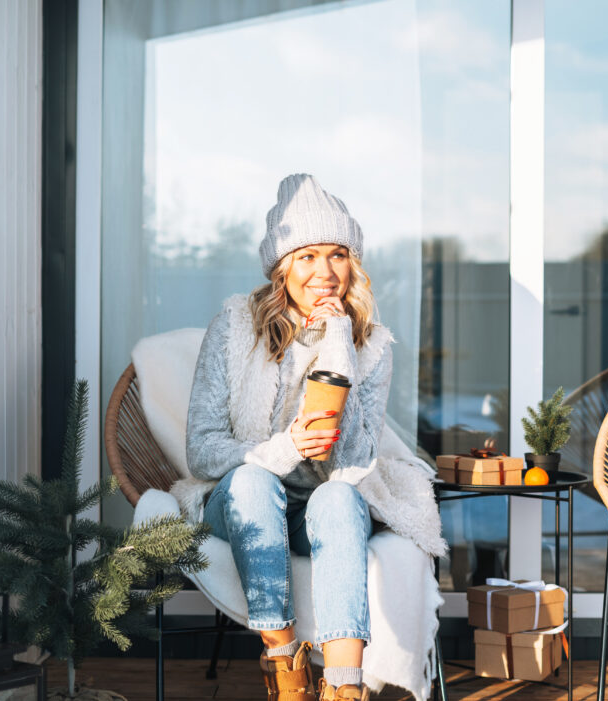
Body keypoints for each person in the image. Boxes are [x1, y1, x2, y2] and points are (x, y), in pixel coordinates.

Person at [179, 174, 445, 701]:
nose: (325, 272)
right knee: (255, 482)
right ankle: (286, 671)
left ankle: (345, 688)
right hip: (240, 502)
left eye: (338, 255)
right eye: (307, 256)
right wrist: (286, 448)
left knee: (341, 497)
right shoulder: (233, 327)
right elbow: (203, 448)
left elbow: (356, 462)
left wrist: (340, 344)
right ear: (282, 267)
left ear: (354, 263)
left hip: (315, 508)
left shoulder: (372, 346)